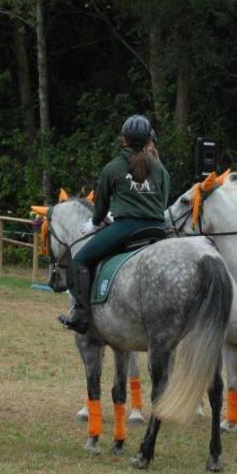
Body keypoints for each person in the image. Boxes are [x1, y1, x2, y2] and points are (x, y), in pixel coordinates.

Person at [58, 114, 170, 334]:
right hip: (159, 229)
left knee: (79, 260)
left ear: (124, 139)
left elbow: (100, 204)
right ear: (149, 140)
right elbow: (163, 201)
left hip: (127, 228)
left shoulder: (114, 167)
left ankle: (81, 316)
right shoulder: (160, 169)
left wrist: (95, 222)